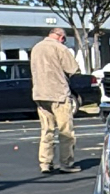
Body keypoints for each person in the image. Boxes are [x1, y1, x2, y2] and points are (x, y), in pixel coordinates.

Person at [30, 28, 79, 174]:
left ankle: (45, 163)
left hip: (40, 93)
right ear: (60, 37)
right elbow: (73, 69)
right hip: (58, 94)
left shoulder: (36, 48)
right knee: (66, 132)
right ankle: (66, 163)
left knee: (47, 130)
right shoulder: (60, 48)